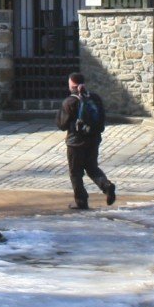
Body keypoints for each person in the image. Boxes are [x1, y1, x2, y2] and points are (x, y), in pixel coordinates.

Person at [56, 72, 116, 209]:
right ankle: (106, 186)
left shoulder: (69, 102)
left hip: (75, 142)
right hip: (93, 139)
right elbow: (101, 119)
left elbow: (61, 125)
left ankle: (81, 201)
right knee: (92, 167)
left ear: (71, 84)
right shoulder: (95, 98)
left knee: (75, 172)